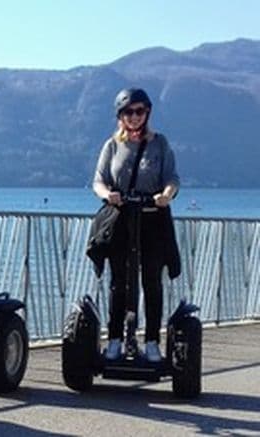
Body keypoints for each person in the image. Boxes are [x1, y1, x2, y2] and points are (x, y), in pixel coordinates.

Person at [92, 88, 180, 362]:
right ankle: (115, 340)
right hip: (121, 220)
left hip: (153, 218)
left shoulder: (159, 144)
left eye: (139, 111)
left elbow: (172, 178)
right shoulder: (112, 145)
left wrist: (166, 195)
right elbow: (98, 180)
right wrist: (108, 194)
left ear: (147, 113)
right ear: (120, 116)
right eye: (128, 112)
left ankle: (152, 341)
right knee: (119, 281)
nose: (134, 117)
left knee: (151, 280)